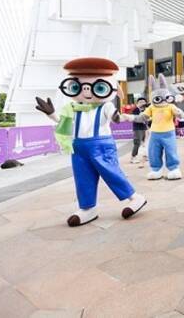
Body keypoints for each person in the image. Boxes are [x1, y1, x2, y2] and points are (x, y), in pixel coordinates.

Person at [35, 57, 147, 226]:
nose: (87, 91)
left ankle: (135, 197)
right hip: (79, 147)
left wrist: (123, 115)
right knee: (82, 177)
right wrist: (51, 114)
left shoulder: (106, 106)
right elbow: (65, 124)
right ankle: (87, 208)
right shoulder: (72, 108)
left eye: (98, 87)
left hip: (101, 145)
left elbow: (115, 117)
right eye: (77, 87)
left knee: (111, 173)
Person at [130, 97, 148, 164]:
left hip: (144, 128)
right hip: (137, 128)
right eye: (140, 102)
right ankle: (133, 157)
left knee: (145, 143)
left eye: (144, 102)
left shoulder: (146, 109)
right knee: (137, 143)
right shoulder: (135, 110)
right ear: (137, 103)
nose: (142, 103)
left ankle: (145, 155)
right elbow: (135, 118)